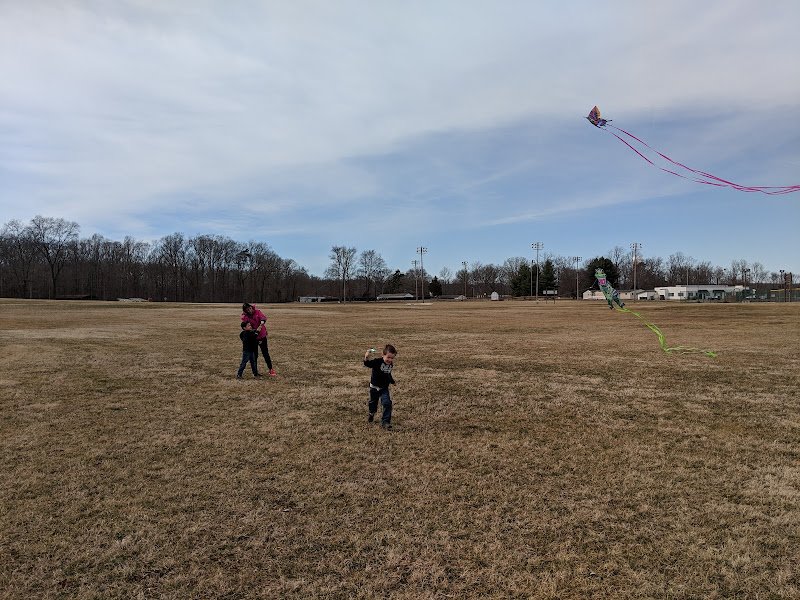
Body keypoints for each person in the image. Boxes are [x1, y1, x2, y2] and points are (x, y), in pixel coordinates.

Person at [363, 344, 397, 430]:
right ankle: (371, 413)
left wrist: (392, 381)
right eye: (388, 357)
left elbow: (388, 374)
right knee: (373, 403)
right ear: (383, 355)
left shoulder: (390, 364)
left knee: (387, 403)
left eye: (392, 358)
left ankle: (385, 422)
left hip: (384, 388)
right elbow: (367, 364)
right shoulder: (377, 362)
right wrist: (366, 357)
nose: (390, 360)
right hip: (374, 387)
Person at [241, 302, 276, 376]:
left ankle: (271, 369)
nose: (250, 310)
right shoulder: (246, 317)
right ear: (245, 311)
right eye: (248, 310)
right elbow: (245, 326)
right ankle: (255, 372)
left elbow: (263, 317)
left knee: (265, 353)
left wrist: (262, 323)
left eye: (250, 308)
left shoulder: (257, 312)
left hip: (262, 335)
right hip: (253, 338)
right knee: (254, 355)